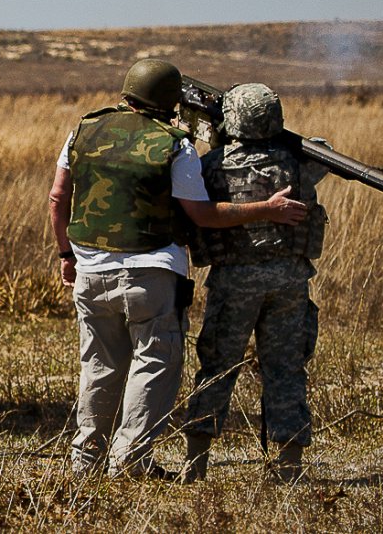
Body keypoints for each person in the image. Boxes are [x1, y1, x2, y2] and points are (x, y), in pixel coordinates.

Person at [47, 58, 308, 478]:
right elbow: (202, 215)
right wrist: (268, 208)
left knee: (99, 365)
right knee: (154, 364)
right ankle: (130, 459)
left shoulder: (82, 129)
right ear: (172, 102)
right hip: (150, 273)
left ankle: (86, 460)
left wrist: (66, 255)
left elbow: (58, 198)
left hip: (90, 270)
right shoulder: (176, 145)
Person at [181, 83, 328, 483]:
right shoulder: (299, 164)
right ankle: (289, 468)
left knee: (216, 368)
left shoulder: (212, 165)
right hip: (289, 282)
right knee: (285, 369)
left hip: (233, 282)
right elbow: (323, 149)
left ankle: (195, 467)